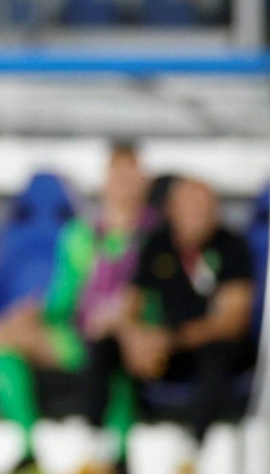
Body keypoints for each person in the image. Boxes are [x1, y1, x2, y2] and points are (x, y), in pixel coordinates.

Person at [0, 143, 150, 474]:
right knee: (5, 337)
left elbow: (157, 298)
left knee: (113, 346)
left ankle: (115, 459)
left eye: (130, 176)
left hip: (134, 334)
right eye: (115, 176)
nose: (122, 185)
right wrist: (32, 312)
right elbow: (63, 301)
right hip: (79, 335)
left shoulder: (154, 237)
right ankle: (29, 450)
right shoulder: (81, 236)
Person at [106, 177, 255, 437]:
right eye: (191, 206)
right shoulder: (156, 245)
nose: (198, 214)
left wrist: (173, 339)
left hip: (204, 344)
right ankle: (101, 444)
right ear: (172, 210)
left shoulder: (232, 247)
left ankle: (195, 447)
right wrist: (135, 339)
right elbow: (130, 305)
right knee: (105, 348)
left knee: (216, 356)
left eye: (205, 206)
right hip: (165, 348)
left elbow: (231, 321)